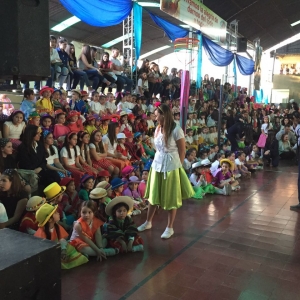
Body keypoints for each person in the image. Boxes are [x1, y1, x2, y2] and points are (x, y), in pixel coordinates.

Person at [137, 104, 194, 239]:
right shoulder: (157, 128)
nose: (155, 118)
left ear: (164, 115)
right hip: (157, 164)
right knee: (153, 194)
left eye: (157, 115)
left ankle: (170, 227)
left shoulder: (176, 129)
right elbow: (157, 148)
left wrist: (178, 166)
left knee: (171, 197)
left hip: (171, 165)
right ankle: (148, 222)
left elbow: (182, 150)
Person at [35, 203, 89, 269]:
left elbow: (62, 239)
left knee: (70, 247)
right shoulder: (41, 234)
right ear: (49, 219)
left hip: (58, 250)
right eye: (55, 213)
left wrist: (63, 250)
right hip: (49, 255)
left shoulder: (56, 226)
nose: (58, 213)